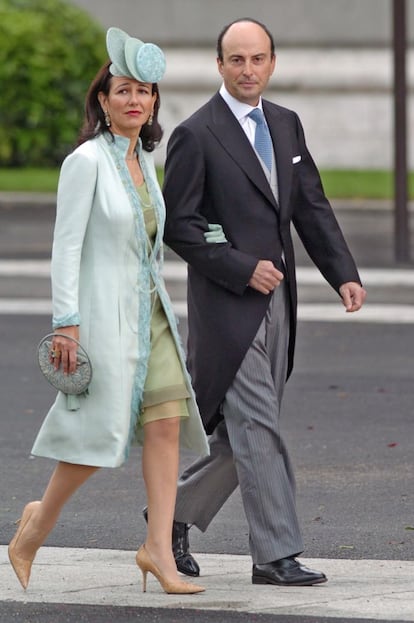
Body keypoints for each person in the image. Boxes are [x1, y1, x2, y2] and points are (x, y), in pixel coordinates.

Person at [161, 18, 367, 586]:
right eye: (236, 60)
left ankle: (170, 515)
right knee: (257, 427)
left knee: (244, 432)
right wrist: (238, 265)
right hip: (227, 305)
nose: (247, 70)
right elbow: (182, 225)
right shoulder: (195, 133)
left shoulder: (286, 124)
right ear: (219, 65)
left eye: (257, 59)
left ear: (272, 63)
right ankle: (275, 554)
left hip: (280, 301)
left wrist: (342, 274)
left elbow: (311, 206)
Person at [8, 27, 208, 596]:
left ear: (152, 104)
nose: (135, 100)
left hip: (154, 320)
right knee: (100, 438)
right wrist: (65, 323)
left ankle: (158, 552)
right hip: (102, 321)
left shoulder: (146, 161)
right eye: (123, 90)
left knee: (166, 426)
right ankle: (36, 523)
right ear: (103, 100)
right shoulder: (86, 162)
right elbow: (64, 247)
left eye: (144, 91)